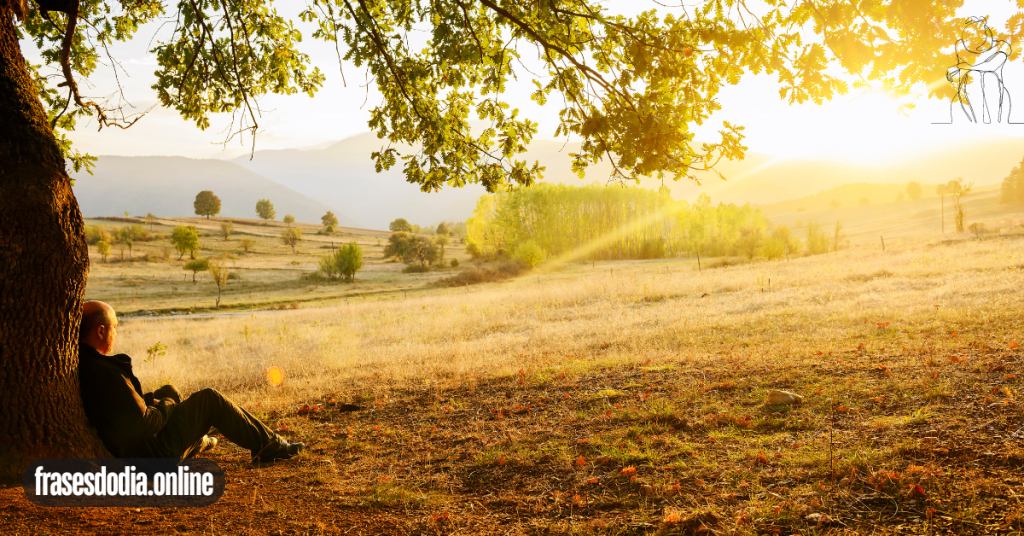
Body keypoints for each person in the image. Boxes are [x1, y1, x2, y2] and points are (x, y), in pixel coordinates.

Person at [78, 300, 303, 462]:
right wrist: (165, 403)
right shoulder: (105, 373)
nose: (116, 333)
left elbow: (121, 407)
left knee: (169, 390)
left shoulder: (86, 364)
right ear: (100, 331)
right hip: (152, 457)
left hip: (139, 449)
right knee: (209, 399)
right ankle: (271, 446)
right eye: (114, 327)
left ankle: (197, 440)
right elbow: (145, 423)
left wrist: (155, 399)